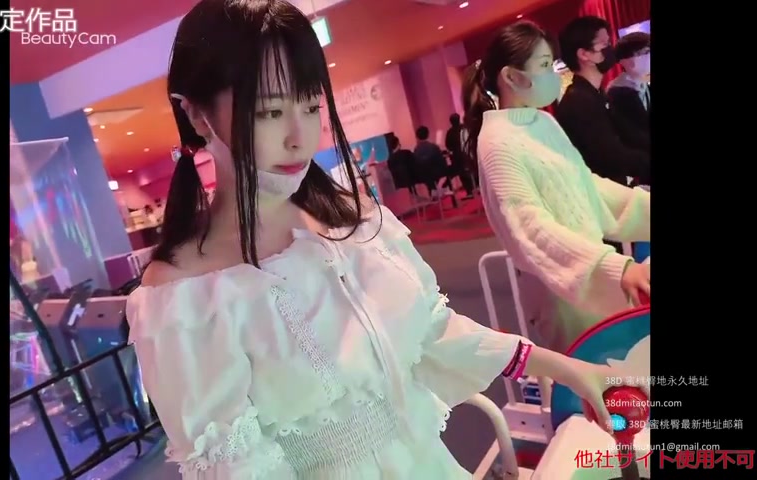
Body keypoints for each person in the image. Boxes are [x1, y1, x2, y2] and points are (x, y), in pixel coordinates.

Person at [127, 2, 636, 479]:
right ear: (196, 114)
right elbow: (236, 465)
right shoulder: (184, 296)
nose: (300, 137)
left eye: (310, 105)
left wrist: (568, 368)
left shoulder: (353, 219)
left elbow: (430, 329)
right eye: (269, 112)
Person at [462, 20, 651, 353]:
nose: (555, 74)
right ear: (511, 77)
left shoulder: (543, 121)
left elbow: (586, 188)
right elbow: (532, 229)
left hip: (594, 279)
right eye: (545, 65)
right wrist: (616, 268)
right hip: (562, 293)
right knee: (602, 378)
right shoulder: (497, 143)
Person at [555, 16, 650, 186]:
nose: (610, 50)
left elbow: (628, 135)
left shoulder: (594, 93)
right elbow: (611, 156)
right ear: (584, 54)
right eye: (605, 45)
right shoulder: (579, 102)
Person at [607, 32, 650, 159]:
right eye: (644, 52)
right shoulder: (618, 92)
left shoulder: (643, 84)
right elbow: (632, 134)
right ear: (627, 60)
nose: (648, 56)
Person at [444, 114, 476, 198]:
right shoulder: (464, 128)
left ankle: (469, 191)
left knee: (461, 173)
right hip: (468, 154)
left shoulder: (450, 132)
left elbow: (448, 145)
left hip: (457, 157)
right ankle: (476, 187)